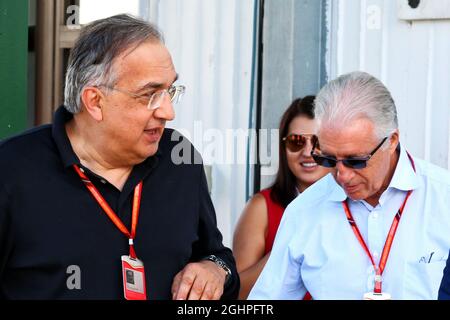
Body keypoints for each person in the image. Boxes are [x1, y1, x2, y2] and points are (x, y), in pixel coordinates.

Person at [0, 14, 239, 300]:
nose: (168, 112)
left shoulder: (180, 158)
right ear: (95, 101)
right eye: (149, 95)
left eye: (169, 91)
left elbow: (216, 254)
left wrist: (214, 270)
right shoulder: (11, 171)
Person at [249, 71, 450, 300]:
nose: (342, 175)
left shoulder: (443, 199)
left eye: (355, 160)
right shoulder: (303, 211)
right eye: (329, 160)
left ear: (392, 141)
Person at [233, 96, 330, 299]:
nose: (307, 152)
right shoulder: (262, 207)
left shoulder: (355, 204)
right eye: (296, 142)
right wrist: (289, 241)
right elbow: (237, 293)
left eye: (318, 142)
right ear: (283, 147)